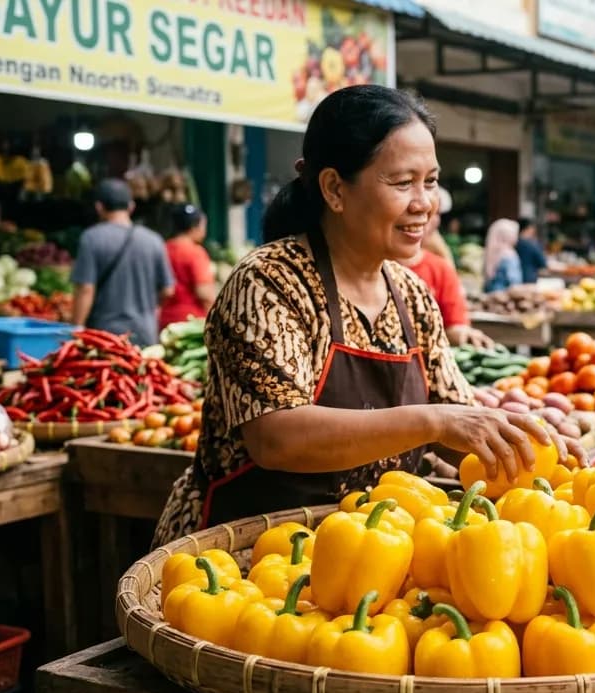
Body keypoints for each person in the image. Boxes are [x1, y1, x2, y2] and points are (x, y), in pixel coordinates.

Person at [152, 86, 568, 547]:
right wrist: (434, 421)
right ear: (334, 188)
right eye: (402, 182)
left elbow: (455, 425)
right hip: (248, 555)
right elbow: (276, 437)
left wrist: (524, 438)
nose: (424, 203)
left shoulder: (413, 295)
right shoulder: (270, 282)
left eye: (430, 181)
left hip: (370, 548)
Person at [71, 179, 174, 347]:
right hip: (145, 333)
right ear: (131, 206)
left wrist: (77, 326)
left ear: (99, 207)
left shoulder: (91, 239)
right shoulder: (154, 240)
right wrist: (147, 308)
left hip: (105, 335)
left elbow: (85, 289)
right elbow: (168, 290)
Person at [401, 190, 494, 349]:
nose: (431, 220)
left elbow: (455, 323)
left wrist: (464, 334)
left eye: (435, 213)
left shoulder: (440, 268)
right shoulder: (368, 267)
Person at [158, 203, 217, 329]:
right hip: (190, 324)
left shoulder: (163, 248)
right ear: (194, 227)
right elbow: (204, 293)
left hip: (164, 321)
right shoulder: (195, 252)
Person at [482, 218, 522, 293]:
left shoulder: (490, 252)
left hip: (492, 296)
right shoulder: (509, 255)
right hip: (505, 298)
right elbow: (514, 281)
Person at [515, 218, 547, 284]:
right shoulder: (531, 244)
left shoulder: (514, 242)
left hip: (515, 278)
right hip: (529, 278)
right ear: (529, 228)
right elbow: (542, 263)